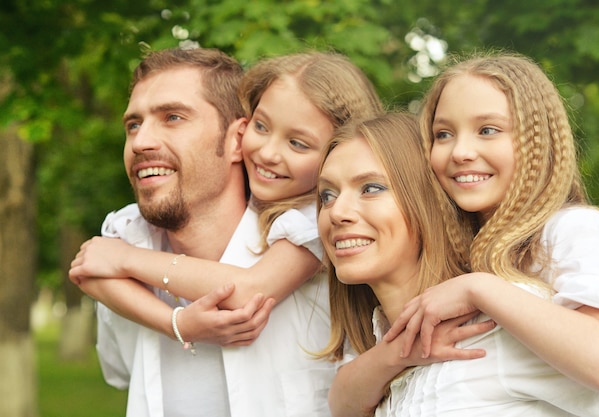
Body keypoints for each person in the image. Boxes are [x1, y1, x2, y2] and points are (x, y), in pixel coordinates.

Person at [70, 48, 384, 417]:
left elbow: (250, 291)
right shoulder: (125, 233)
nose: (140, 142)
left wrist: (125, 261)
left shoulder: (320, 228)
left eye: (172, 117)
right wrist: (177, 323)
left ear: (235, 137)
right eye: (133, 125)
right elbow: (115, 357)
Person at [315, 112, 599, 416]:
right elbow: (342, 403)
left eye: (371, 188)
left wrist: (478, 290)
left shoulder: (494, 327)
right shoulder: (383, 358)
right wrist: (395, 354)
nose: (337, 211)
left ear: (429, 199)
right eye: (327, 195)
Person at [382, 52, 599, 398]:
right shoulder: (447, 251)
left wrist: (478, 289)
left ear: (537, 141)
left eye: (488, 130)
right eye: (443, 134)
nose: (460, 152)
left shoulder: (572, 228)